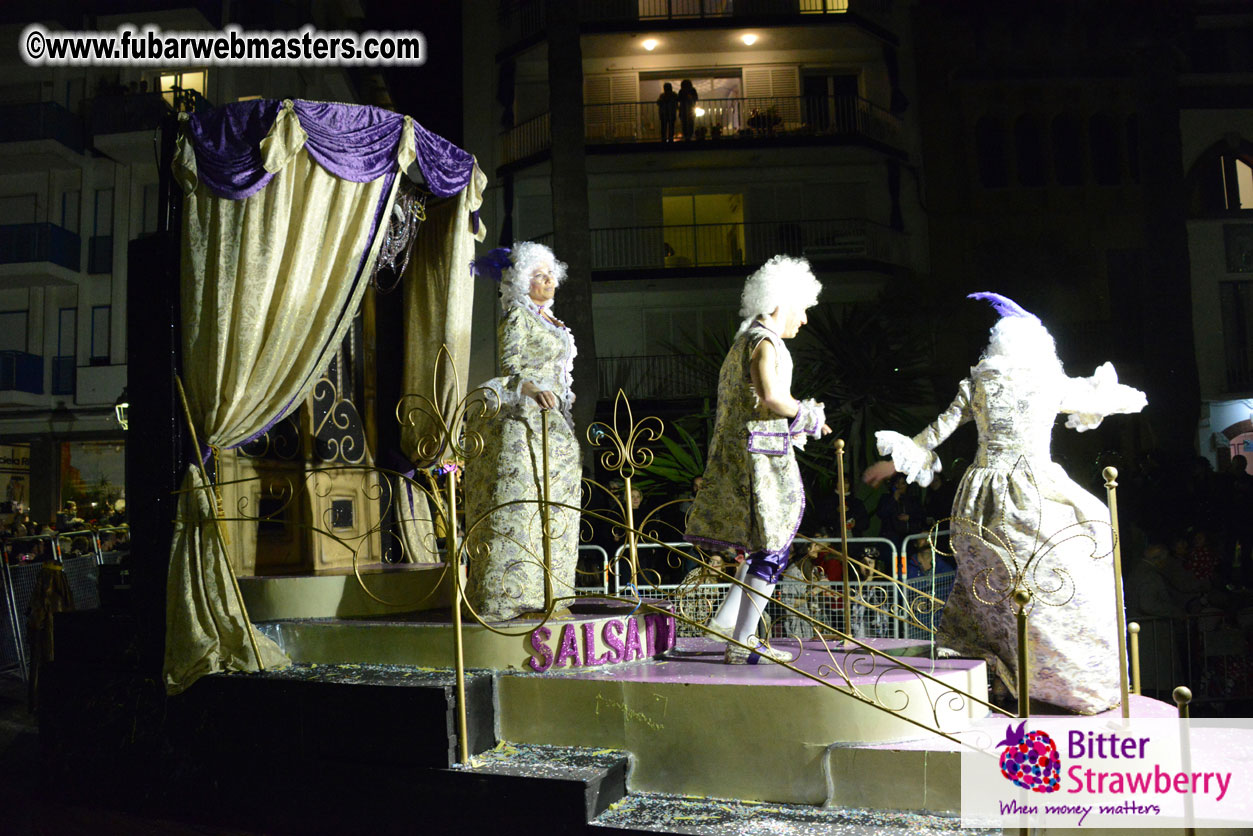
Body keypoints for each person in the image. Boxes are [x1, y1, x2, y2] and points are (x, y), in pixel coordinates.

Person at [864, 292, 1147, 714]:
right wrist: (1127, 397)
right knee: (1065, 569)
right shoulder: (1047, 382)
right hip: (1035, 490)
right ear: (1040, 346)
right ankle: (1060, 681)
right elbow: (1098, 399)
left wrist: (893, 464)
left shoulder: (977, 382)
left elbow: (935, 432)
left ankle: (1006, 672)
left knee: (999, 588)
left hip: (982, 495)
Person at [686, 255, 831, 663]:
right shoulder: (765, 341)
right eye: (802, 309)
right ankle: (743, 641)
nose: (803, 320)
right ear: (781, 302)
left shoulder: (742, 340)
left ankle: (726, 624)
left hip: (742, 455)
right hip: (761, 462)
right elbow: (770, 396)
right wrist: (809, 414)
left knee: (760, 547)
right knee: (774, 546)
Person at [463, 243, 582, 621]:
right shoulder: (517, 314)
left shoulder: (550, 320)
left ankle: (553, 592)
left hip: (556, 422)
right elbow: (511, 365)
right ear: (521, 282)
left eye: (550, 275)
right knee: (524, 506)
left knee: (556, 511)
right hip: (526, 420)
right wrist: (532, 388)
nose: (548, 281)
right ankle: (515, 595)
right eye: (539, 276)